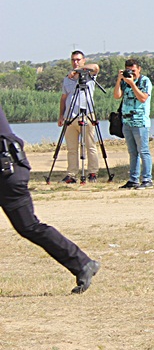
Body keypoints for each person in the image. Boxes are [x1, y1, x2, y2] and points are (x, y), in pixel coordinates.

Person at [1, 103, 100, 293]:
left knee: (29, 226)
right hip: (10, 169)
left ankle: (82, 264)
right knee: (28, 226)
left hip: (7, 171)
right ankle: (82, 263)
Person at [58, 50, 101, 183]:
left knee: (90, 145)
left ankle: (92, 172)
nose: (75, 62)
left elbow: (96, 67)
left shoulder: (89, 75)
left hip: (87, 114)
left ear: (83, 60)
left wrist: (79, 70)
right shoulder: (67, 79)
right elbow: (64, 98)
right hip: (70, 117)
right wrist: (61, 115)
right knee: (71, 148)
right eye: (73, 60)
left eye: (78, 59)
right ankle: (72, 174)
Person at [113, 58, 154, 189]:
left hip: (140, 122)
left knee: (143, 151)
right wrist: (120, 80)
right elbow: (117, 96)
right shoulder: (125, 81)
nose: (131, 73)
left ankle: (147, 179)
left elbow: (142, 98)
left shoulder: (144, 81)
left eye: (134, 70)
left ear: (139, 69)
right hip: (127, 121)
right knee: (132, 152)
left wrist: (132, 84)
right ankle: (133, 179)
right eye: (128, 70)